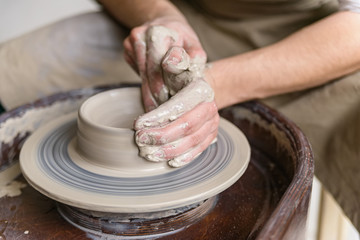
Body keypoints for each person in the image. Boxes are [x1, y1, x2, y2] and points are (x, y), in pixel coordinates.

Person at [0, 0, 360, 230]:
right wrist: (159, 14)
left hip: (316, 41)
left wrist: (217, 83)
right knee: (15, 66)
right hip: (184, 20)